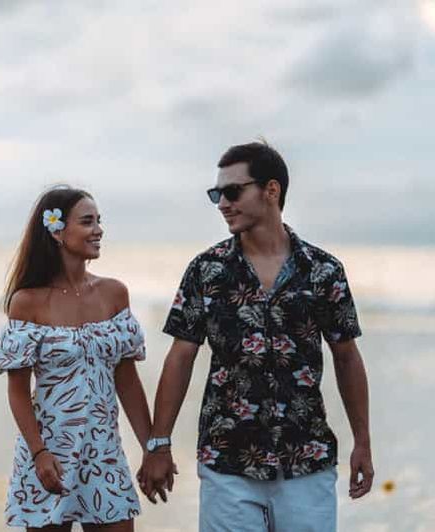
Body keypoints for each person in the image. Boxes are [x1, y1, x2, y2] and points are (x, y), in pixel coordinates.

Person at [140, 142, 374, 531]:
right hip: (227, 461)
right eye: (216, 194)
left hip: (306, 459)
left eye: (232, 192)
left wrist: (362, 441)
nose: (222, 203)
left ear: (271, 191)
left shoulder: (324, 270)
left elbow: (346, 356)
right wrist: (158, 443)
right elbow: (180, 357)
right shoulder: (206, 270)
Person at [0, 186, 153, 531]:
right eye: (87, 221)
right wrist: (39, 453)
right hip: (48, 456)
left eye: (99, 221)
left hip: (104, 454)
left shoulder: (114, 294)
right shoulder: (28, 302)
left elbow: (127, 381)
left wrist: (153, 448)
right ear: (57, 231)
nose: (98, 230)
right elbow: (18, 391)